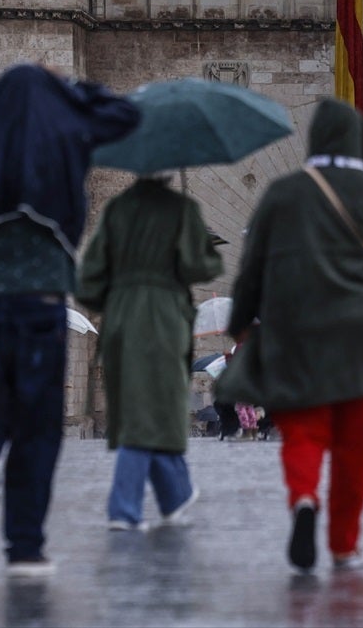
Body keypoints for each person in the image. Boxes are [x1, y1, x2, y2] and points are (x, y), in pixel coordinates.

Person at [0, 64, 139, 580]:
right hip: (43, 307)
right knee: (37, 426)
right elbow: (126, 115)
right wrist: (74, 90)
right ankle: (26, 547)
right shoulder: (65, 136)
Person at [220, 98, 363, 574]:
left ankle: (304, 498)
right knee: (356, 444)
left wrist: (241, 320)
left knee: (302, 432)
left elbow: (252, 270)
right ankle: (344, 544)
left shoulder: (283, 193)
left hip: (297, 336)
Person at [76, 173, 224, 531]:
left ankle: (175, 492)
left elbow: (90, 281)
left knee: (138, 407)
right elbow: (205, 267)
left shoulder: (115, 211)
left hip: (122, 319)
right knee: (156, 410)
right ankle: (125, 506)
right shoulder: (182, 210)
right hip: (165, 318)